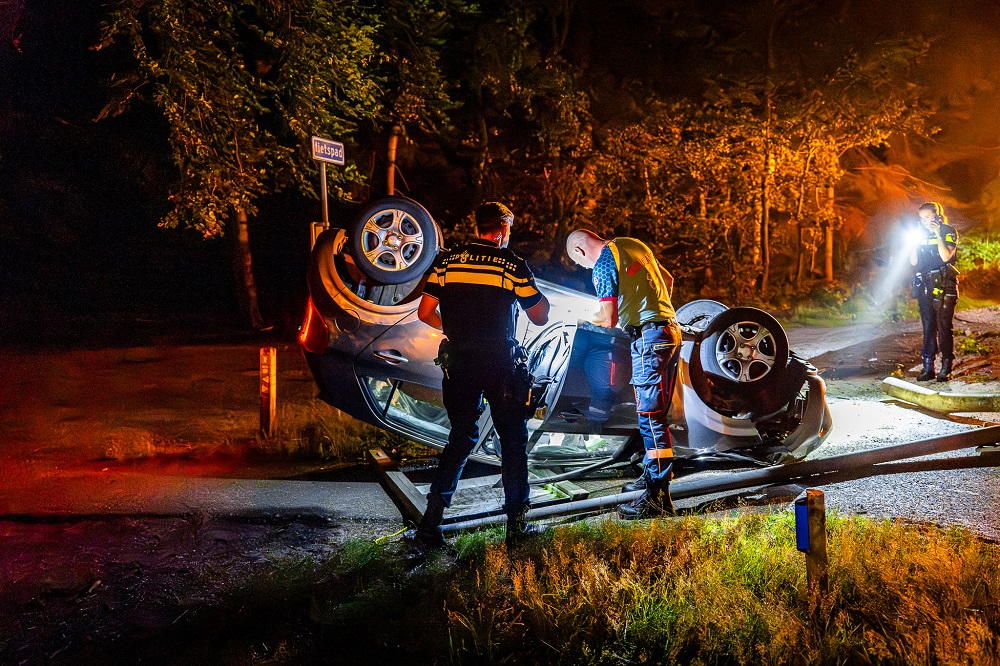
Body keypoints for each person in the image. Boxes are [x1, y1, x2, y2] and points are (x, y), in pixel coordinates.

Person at [413, 202, 551, 549]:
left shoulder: (447, 261)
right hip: (500, 364)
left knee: (460, 438)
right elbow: (540, 316)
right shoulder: (511, 264)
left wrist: (458, 329)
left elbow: (424, 312)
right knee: (513, 442)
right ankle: (517, 529)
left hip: (458, 360)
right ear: (504, 229)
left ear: (478, 227)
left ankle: (431, 524)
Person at [565, 229, 682, 519]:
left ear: (580, 251)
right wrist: (650, 308)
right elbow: (667, 280)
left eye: (581, 264)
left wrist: (578, 318)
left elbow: (607, 318)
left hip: (648, 339)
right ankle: (652, 476)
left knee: (650, 418)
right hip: (669, 330)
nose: (585, 268)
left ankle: (658, 497)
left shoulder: (604, 262)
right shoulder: (632, 244)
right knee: (657, 414)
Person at [909, 202, 959, 382]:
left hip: (945, 283)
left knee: (944, 326)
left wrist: (937, 234)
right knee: (928, 325)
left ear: (937, 216)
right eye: (921, 218)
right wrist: (911, 243)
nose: (924, 221)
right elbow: (913, 261)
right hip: (924, 284)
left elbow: (946, 256)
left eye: (928, 217)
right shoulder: (918, 234)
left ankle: (946, 366)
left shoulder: (948, 231)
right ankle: (928, 366)